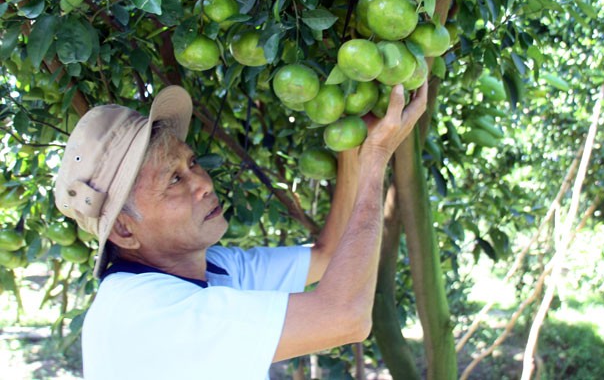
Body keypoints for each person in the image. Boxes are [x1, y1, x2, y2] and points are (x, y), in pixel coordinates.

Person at [54, 81, 427, 380]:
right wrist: (376, 159)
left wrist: (354, 144)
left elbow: (326, 257)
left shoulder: (212, 269)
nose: (203, 182)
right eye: (174, 179)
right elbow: (346, 317)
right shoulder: (145, 314)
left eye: (193, 162)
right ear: (123, 228)